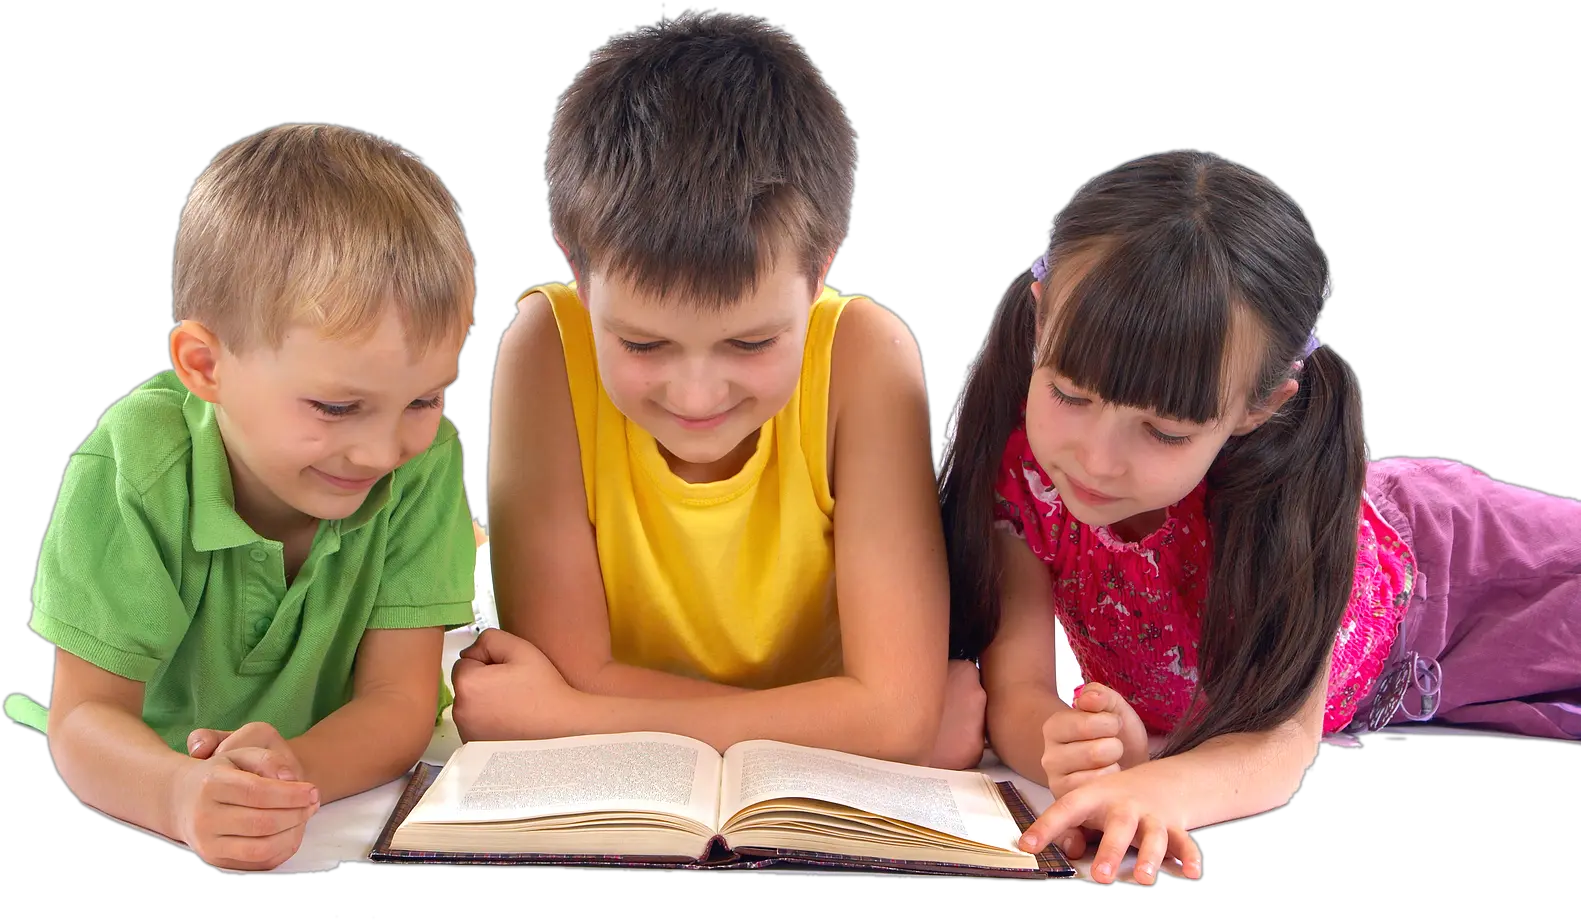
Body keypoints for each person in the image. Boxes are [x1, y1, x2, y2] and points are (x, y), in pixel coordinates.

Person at [937, 148, 1580, 885]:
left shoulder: (1283, 495)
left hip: (1470, 571)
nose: (1096, 459)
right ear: (1040, 319)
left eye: (1164, 431)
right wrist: (1066, 746)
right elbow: (1017, 692)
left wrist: (1149, 789)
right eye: (1070, 396)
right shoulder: (1020, 476)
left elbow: (1278, 746)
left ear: (1257, 407)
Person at [451, 12, 983, 768]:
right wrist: (861, 722)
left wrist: (569, 720)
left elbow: (892, 716)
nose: (695, 395)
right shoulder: (545, 348)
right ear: (577, 266)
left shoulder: (866, 357)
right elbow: (568, 669)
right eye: (640, 343)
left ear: (822, 264)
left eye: (750, 342)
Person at [27, 122, 479, 871]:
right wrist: (179, 794)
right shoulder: (132, 465)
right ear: (205, 366)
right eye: (335, 408)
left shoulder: (425, 464)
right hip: (159, 777)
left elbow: (400, 703)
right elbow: (84, 719)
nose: (381, 450)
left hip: (334, 795)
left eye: (424, 399)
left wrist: (288, 778)